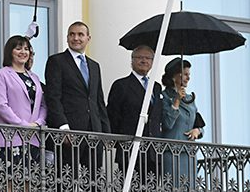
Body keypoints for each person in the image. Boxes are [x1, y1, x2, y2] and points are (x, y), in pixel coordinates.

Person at [44, 21, 109, 180]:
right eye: (72, 34)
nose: (76, 38)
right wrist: (63, 127)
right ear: (67, 38)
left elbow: (98, 100)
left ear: (88, 38)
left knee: (93, 180)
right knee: (66, 179)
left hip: (94, 130)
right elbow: (53, 96)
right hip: (69, 130)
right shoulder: (56, 61)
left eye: (80, 34)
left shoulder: (94, 66)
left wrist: (106, 132)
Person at [0, 35, 46, 164]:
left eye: (26, 49)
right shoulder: (1, 74)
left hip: (33, 139)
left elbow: (42, 104)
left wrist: (38, 123)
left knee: (31, 183)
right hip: (9, 139)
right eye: (18, 48)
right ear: (10, 52)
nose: (23, 52)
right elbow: (1, 106)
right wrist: (23, 125)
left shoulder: (34, 77)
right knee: (10, 182)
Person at [107, 45, 162, 178]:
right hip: (130, 150)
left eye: (148, 58)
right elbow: (113, 116)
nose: (144, 61)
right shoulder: (121, 85)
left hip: (154, 153)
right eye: (140, 57)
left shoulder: (156, 87)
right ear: (132, 61)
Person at [161, 58, 203, 188]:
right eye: (185, 74)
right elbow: (168, 123)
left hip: (189, 154)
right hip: (172, 154)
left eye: (189, 75)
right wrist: (177, 100)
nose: (188, 78)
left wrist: (198, 131)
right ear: (174, 76)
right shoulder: (164, 96)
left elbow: (199, 124)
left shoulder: (191, 98)